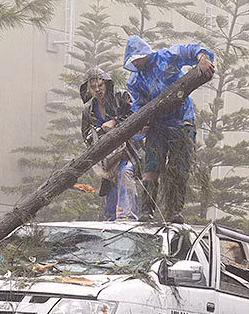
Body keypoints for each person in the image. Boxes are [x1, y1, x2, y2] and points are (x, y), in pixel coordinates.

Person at [123, 35, 215, 223]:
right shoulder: (135, 80)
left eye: (138, 58)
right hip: (157, 125)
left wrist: (202, 58)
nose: (137, 62)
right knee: (151, 167)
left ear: (145, 53)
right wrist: (141, 122)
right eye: (133, 60)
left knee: (178, 169)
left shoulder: (166, 57)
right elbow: (138, 105)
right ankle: (146, 211)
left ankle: (174, 211)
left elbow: (189, 50)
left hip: (182, 122)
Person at [80, 67, 140, 221]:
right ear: (88, 89)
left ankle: (128, 218)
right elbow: (85, 134)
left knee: (124, 173)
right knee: (110, 184)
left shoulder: (121, 97)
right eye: (93, 87)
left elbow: (135, 118)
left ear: (107, 84)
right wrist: (97, 134)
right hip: (106, 157)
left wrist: (115, 122)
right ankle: (110, 219)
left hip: (127, 151)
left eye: (100, 85)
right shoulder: (88, 110)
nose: (98, 89)